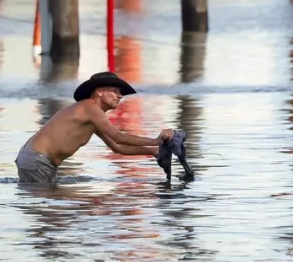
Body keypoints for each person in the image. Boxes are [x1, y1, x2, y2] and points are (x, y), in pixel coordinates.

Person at [15, 71, 175, 184]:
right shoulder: (89, 108)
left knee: (55, 206)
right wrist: (157, 141)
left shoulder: (93, 116)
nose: (120, 96)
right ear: (99, 92)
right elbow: (119, 136)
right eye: (114, 91)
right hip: (38, 159)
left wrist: (152, 151)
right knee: (54, 210)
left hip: (36, 160)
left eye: (120, 93)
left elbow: (117, 147)